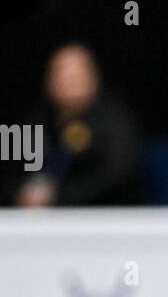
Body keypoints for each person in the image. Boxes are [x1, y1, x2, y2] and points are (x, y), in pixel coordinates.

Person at [16, 44, 143, 207]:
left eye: (76, 76)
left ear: (94, 78)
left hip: (105, 215)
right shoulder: (39, 119)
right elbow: (16, 169)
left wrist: (57, 199)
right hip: (41, 220)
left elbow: (118, 175)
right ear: (49, 81)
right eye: (62, 76)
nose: (70, 83)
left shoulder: (114, 121)